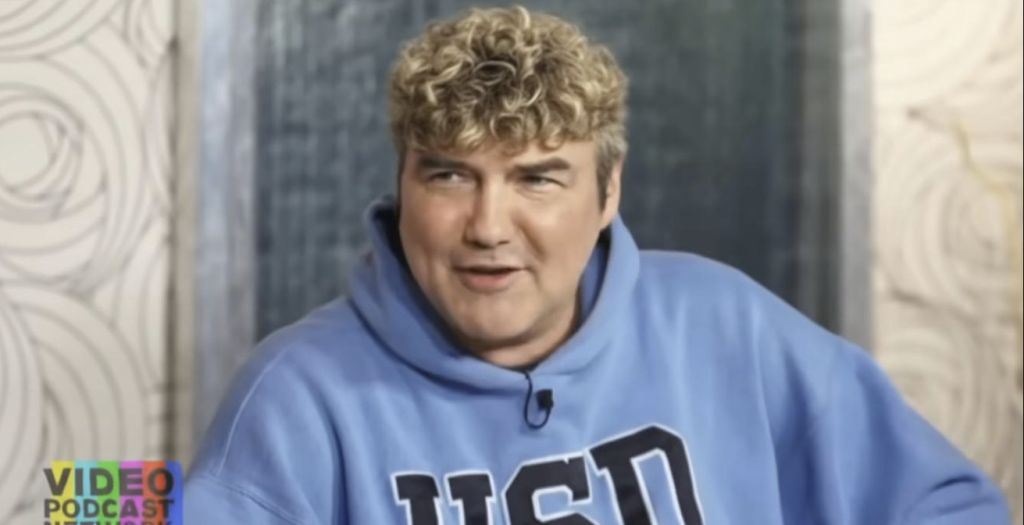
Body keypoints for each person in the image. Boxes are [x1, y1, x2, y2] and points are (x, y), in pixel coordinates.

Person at [184, 6, 1010, 524]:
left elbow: (946, 506)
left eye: (537, 179)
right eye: (450, 176)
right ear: (403, 184)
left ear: (609, 190)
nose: (487, 227)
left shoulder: (729, 326)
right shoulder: (294, 395)